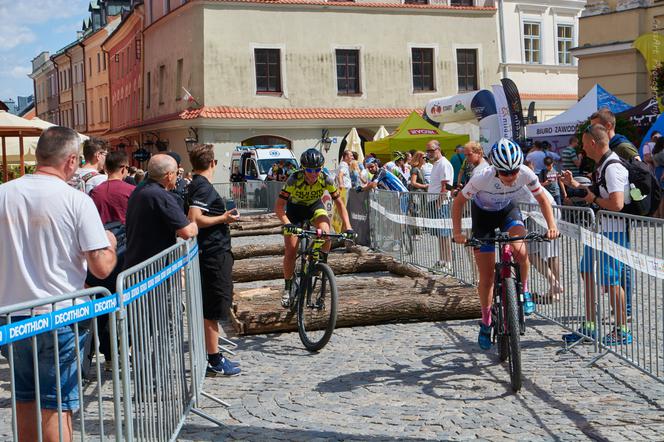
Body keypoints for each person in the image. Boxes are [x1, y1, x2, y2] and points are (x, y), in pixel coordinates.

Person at [0, 126, 117, 442]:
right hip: (59, 316)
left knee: (24, 398)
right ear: (70, 161)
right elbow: (102, 268)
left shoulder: (3, 194)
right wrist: (110, 243)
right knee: (56, 406)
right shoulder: (76, 201)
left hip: (12, 316)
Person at [451, 138, 559, 350]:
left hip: (508, 211)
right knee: (487, 277)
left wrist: (552, 225)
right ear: (496, 169)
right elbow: (458, 202)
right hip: (483, 217)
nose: (510, 177)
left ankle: (524, 290)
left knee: (521, 250)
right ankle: (485, 321)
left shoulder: (526, 173)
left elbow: (543, 200)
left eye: (513, 172)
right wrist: (457, 232)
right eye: (505, 173)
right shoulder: (482, 177)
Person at [560, 124, 632, 345]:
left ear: (593, 142)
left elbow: (617, 204)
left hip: (613, 231)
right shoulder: (602, 165)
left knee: (610, 280)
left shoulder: (612, 167)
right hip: (599, 230)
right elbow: (597, 192)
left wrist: (593, 201)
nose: (582, 147)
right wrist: (573, 184)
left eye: (583, 143)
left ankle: (622, 330)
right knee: (585, 270)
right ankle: (590, 325)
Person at [187, 144, 241, 376]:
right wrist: (224, 218)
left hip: (210, 252)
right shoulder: (203, 187)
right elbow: (195, 219)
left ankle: (213, 355)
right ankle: (214, 359)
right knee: (213, 307)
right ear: (213, 163)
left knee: (211, 306)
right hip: (212, 254)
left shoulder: (197, 185)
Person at [276, 148, 354, 307]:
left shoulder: (326, 179)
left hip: (314, 207)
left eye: (317, 169)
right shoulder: (293, 179)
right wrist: (288, 224)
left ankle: (319, 261)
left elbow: (339, 203)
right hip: (294, 211)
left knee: (326, 232)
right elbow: (279, 207)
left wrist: (348, 227)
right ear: (303, 169)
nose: (314, 173)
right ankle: (287, 287)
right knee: (291, 250)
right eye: (310, 170)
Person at [124, 154, 198, 269]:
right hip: (153, 270)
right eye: (177, 173)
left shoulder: (139, 190)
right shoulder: (161, 196)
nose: (177, 177)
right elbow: (186, 232)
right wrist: (194, 225)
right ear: (169, 175)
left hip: (135, 264)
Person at [426, 140, 454, 268]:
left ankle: (448, 261)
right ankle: (442, 259)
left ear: (438, 149)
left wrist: (439, 202)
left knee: (445, 233)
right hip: (435, 201)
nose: (429, 153)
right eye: (428, 151)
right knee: (439, 234)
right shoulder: (436, 164)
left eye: (432, 150)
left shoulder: (444, 164)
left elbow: (446, 185)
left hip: (441, 203)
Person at [90, 151, 135, 224]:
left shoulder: (95, 192)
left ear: (106, 168)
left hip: (102, 233)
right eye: (128, 168)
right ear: (123, 169)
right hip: (126, 234)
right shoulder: (132, 191)